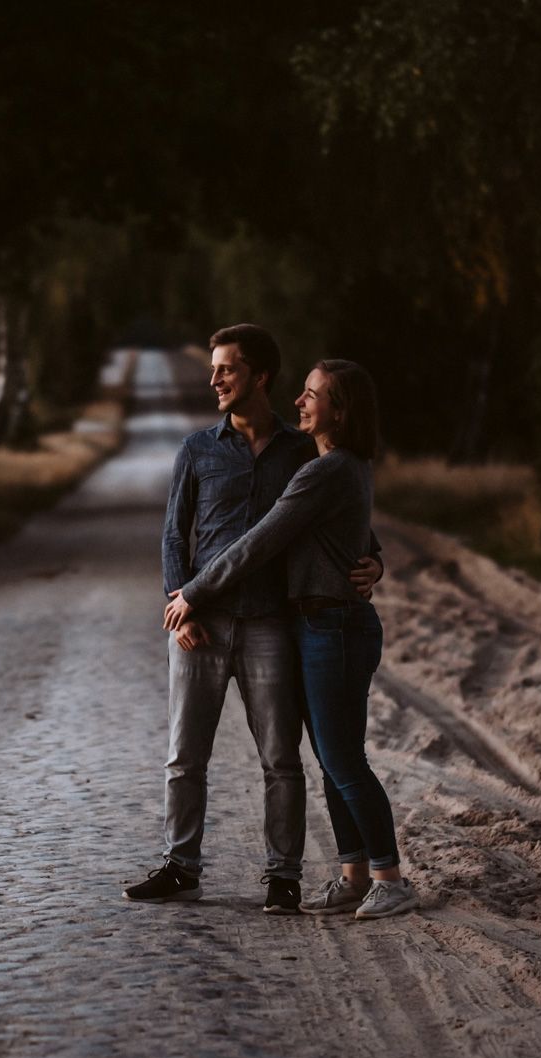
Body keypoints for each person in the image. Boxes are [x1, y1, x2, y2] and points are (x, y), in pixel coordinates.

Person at [124, 325, 382, 915]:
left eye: (226, 369)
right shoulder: (196, 450)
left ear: (259, 376)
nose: (214, 379)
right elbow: (173, 533)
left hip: (271, 624)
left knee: (280, 760)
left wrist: (375, 562)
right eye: (214, 369)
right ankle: (180, 865)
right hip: (200, 622)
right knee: (185, 757)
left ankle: (283, 877)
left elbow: (351, 523)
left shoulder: (301, 451)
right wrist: (179, 603)